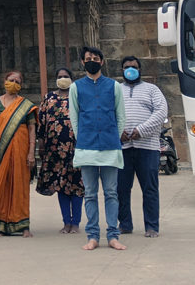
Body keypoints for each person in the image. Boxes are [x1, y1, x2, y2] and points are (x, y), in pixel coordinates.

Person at [69, 46, 127, 251]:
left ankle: (113, 235)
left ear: (102, 62)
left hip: (110, 146)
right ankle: (93, 236)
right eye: (88, 58)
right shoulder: (75, 87)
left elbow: (121, 116)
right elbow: (74, 118)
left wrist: (113, 135)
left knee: (111, 193)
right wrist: (84, 137)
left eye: (95, 58)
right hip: (87, 147)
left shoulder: (114, 86)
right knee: (90, 194)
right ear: (83, 63)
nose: (91, 60)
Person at [0, 70, 38, 237]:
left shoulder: (26, 105)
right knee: (1, 185)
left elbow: (32, 129)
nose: (14, 83)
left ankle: (23, 225)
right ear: (4, 81)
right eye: (11, 80)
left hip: (22, 149)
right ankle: (1, 225)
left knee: (20, 186)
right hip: (1, 149)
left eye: (18, 81)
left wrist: (31, 152)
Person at [117, 56, 168, 238]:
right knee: (121, 189)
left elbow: (161, 112)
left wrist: (142, 130)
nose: (130, 69)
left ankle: (152, 226)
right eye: (127, 67)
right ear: (121, 70)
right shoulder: (115, 90)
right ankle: (125, 224)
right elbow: (108, 112)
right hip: (122, 148)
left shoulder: (152, 89)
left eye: (134, 67)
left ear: (140, 69)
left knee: (150, 188)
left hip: (147, 147)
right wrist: (118, 131)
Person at [36, 67, 84, 234]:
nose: (63, 78)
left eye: (66, 76)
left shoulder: (78, 96)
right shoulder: (48, 98)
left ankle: (76, 222)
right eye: (60, 76)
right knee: (61, 185)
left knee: (77, 185)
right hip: (54, 149)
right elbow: (41, 122)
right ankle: (66, 222)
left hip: (76, 147)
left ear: (72, 78)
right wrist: (41, 144)